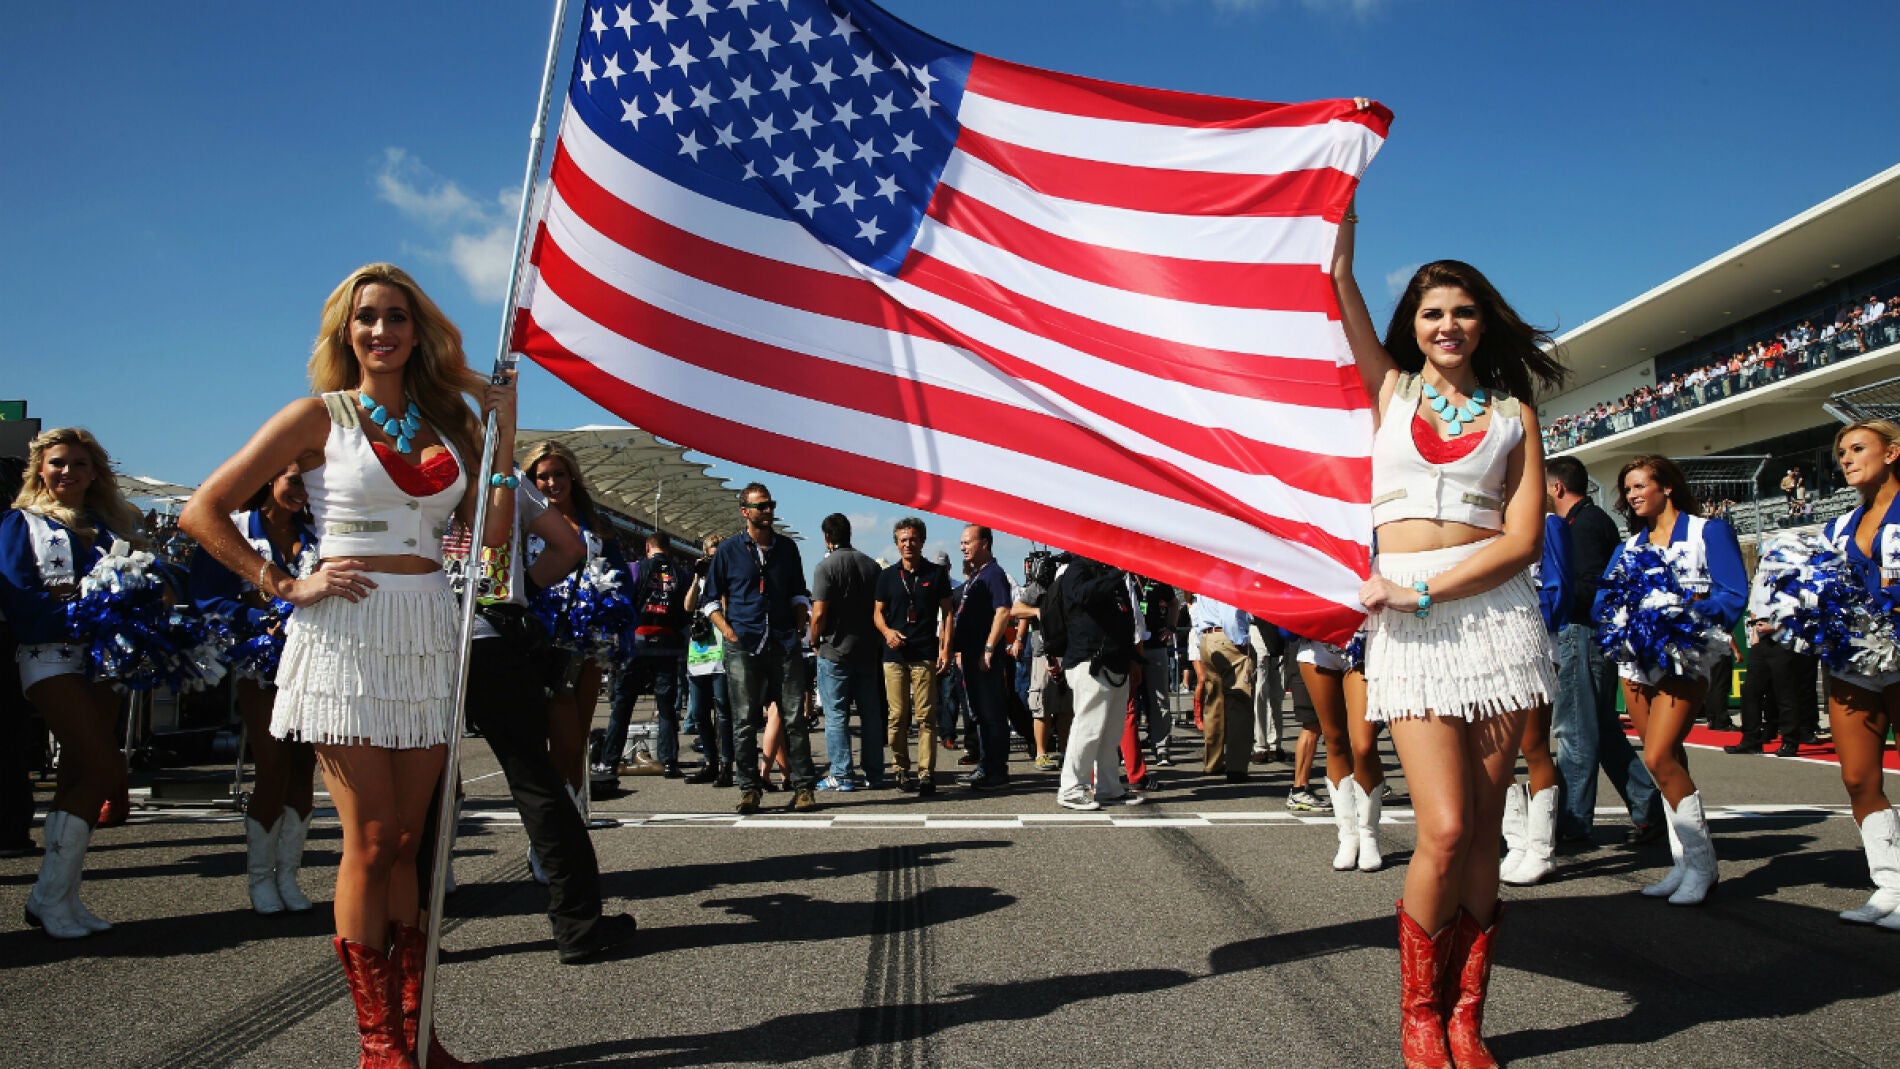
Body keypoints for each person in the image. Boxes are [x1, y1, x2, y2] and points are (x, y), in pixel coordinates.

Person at [180, 263, 512, 1066]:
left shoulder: (451, 424)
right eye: (366, 317)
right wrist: (284, 581)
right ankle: (378, 1044)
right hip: (347, 634)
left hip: (428, 629)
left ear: (418, 329)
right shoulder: (316, 416)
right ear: (345, 331)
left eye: (396, 316)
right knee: (367, 839)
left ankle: (416, 1028)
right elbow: (203, 508)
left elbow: (493, 535)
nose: (381, 330)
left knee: (408, 841)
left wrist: (505, 420)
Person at [1335, 189, 1568, 1067]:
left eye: (1463, 311)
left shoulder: (1514, 415)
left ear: (1482, 323)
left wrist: (1425, 593)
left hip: (1493, 619)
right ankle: (1418, 1015)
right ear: (1415, 323)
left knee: (1481, 828)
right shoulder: (1388, 389)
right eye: (1433, 311)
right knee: (1439, 825)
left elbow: (1521, 538)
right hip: (1410, 625)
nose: (1448, 323)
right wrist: (1342, 205)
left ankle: (1466, 1015)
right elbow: (1338, 281)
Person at [440, 456, 638, 964]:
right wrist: (517, 589)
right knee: (534, 779)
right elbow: (567, 547)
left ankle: (410, 932)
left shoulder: (391, 459)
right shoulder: (500, 475)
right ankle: (578, 927)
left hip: (412, 631)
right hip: (490, 635)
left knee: (423, 780)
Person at [1, 428, 149, 939]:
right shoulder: (20, 524)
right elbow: (20, 597)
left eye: (79, 464)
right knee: (105, 764)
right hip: (49, 657)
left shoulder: (114, 527)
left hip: (107, 662)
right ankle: (46, 897)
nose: (68, 472)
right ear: (39, 468)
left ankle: (60, 897)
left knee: (81, 774)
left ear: (95, 473)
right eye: (58, 463)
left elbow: (148, 584)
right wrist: (81, 613)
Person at [1596, 455, 1746, 910]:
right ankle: (1682, 862)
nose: (1633, 494)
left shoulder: (1707, 531)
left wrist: (1684, 614)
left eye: (1641, 485)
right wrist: (1620, 620)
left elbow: (1733, 592)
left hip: (1685, 655)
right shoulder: (1630, 547)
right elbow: (1605, 599)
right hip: (1636, 662)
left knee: (1658, 755)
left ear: (1667, 487)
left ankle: (1703, 866)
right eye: (1628, 488)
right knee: (1667, 759)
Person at [188, 464, 322, 914]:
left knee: (305, 768)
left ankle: (289, 876)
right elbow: (207, 596)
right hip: (260, 662)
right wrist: (255, 618)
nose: (303, 492)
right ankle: (260, 879)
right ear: (269, 479)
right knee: (273, 765)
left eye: (310, 483)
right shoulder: (236, 529)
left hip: (315, 663)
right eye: (295, 481)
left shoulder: (320, 530)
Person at [1545, 455, 1660, 845]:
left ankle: (1573, 824)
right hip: (1591, 634)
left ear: (1556, 487)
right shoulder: (1590, 521)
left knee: (1575, 730)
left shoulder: (1583, 525)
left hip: (1581, 632)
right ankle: (1649, 809)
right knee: (1604, 731)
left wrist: (1547, 596)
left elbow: (1592, 587)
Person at [1814, 420, 1900, 928]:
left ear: (1892, 453)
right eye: (1842, 452)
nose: (1846, 458)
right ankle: (1889, 884)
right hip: (1854, 662)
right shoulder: (1839, 526)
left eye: (1858, 448)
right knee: (1857, 776)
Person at [521, 439, 628, 797]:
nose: (552, 483)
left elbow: (619, 577)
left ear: (573, 477)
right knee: (557, 731)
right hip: (543, 634)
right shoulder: (520, 522)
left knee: (579, 734)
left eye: (559, 474)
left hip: (590, 634)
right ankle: (554, 820)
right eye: (542, 476)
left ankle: (573, 810)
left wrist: (615, 615)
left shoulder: (598, 523)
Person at [704, 483, 818, 814]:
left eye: (770, 505)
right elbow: (709, 599)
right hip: (744, 642)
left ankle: (803, 786)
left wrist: (799, 623)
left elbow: (799, 591)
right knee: (742, 719)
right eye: (761, 506)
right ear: (745, 511)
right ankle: (750, 788)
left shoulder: (787, 549)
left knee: (795, 717)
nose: (768, 511)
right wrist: (728, 632)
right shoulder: (728, 551)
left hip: (782, 640)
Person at [1498, 507, 1573, 887]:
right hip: (1491, 645)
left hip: (1536, 643)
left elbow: (1559, 587)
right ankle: (1517, 842)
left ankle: (1542, 850)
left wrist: (1521, 618)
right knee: (1498, 748)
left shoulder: (1546, 522)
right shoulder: (1482, 518)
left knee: (1532, 744)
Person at [1051, 555, 1144, 810]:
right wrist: (1116, 573)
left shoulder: (1110, 574)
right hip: (1089, 659)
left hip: (1114, 661)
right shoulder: (1078, 569)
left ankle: (1109, 787)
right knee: (1088, 727)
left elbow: (1125, 621)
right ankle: (1071, 788)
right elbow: (1083, 595)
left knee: (1111, 731)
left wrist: (1133, 658)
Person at [874, 518, 953, 795]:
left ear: (922, 542)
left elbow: (948, 612)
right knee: (897, 716)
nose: (908, 544)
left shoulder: (936, 574)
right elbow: (877, 613)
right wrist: (887, 633)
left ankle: (926, 773)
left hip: (924, 651)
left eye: (913, 539)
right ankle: (900, 769)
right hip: (894, 653)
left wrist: (945, 648)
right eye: (903, 539)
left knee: (926, 717)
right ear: (897, 543)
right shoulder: (887, 576)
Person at [810, 513, 886, 791]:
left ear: (827, 537)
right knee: (871, 715)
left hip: (834, 651)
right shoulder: (871, 566)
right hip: (866, 650)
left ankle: (842, 774)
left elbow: (818, 613)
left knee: (837, 715)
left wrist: (814, 640)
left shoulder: (825, 567)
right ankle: (875, 773)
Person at [1297, 633, 1382, 870]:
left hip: (1363, 643)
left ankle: (1369, 834)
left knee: (1364, 744)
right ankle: (1348, 835)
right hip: (1317, 647)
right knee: (1334, 740)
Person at [608, 533, 690, 776]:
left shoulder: (635, 568)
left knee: (623, 704)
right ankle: (669, 762)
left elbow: (621, 601)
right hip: (667, 643)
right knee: (666, 707)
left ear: (647, 547)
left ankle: (610, 759)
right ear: (669, 549)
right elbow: (686, 609)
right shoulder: (680, 573)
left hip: (637, 641)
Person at [953, 525, 1015, 791]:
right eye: (962, 542)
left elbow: (1003, 611)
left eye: (968, 542)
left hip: (984, 658)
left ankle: (997, 770)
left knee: (991, 713)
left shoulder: (994, 574)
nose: (963, 547)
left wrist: (989, 649)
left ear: (985, 544)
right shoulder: (977, 576)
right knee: (979, 713)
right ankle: (986, 765)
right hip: (969, 656)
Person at [681, 535, 734, 785]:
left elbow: (727, 606)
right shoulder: (701, 578)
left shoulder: (728, 577)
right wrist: (697, 576)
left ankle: (727, 763)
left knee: (724, 712)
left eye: (716, 555)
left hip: (722, 652)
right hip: (699, 652)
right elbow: (688, 606)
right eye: (709, 555)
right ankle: (710, 761)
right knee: (700, 711)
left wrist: (719, 576)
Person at [1190, 594, 1255, 781]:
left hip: (1207, 638)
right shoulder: (1228, 576)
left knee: (1214, 704)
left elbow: (1196, 613)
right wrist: (1241, 642)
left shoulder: (1205, 578)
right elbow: (1230, 614)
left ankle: (1212, 762)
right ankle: (1236, 767)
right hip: (1227, 637)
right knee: (1239, 703)